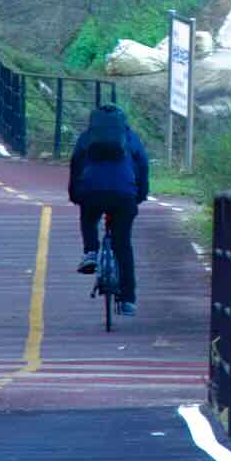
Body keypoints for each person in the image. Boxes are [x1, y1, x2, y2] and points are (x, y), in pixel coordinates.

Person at [69, 103, 150, 318]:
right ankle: (128, 301)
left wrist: (75, 195)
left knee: (88, 217)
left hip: (92, 192)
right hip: (124, 196)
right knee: (123, 246)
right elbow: (143, 166)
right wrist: (140, 195)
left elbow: (75, 165)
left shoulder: (87, 137)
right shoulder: (131, 138)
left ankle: (91, 252)